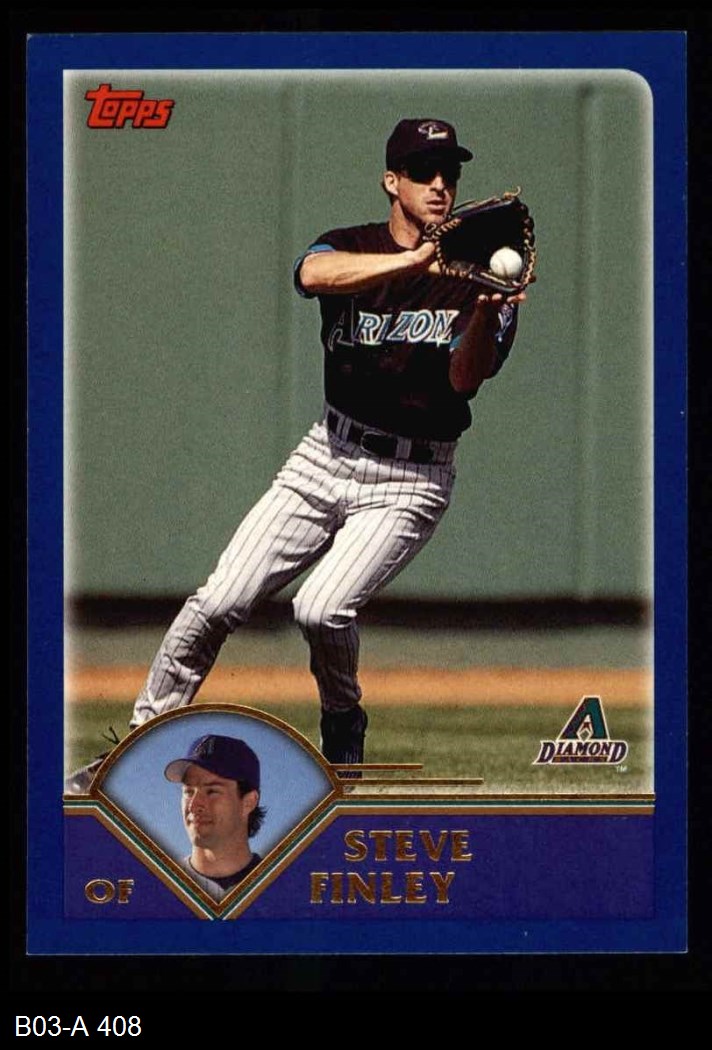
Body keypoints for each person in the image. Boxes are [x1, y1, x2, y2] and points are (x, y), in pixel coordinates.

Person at [65, 117, 528, 793]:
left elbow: (465, 379)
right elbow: (312, 274)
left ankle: (342, 719)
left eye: (449, 173)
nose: (438, 185)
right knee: (217, 600)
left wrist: (486, 310)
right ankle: (137, 749)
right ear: (391, 181)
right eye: (422, 171)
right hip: (327, 452)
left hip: (411, 475)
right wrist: (410, 263)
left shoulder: (476, 273)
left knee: (320, 609)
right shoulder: (351, 244)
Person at [164, 733, 265, 900]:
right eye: (188, 792)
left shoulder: (281, 888)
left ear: (249, 802)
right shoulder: (159, 887)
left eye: (212, 791)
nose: (194, 805)